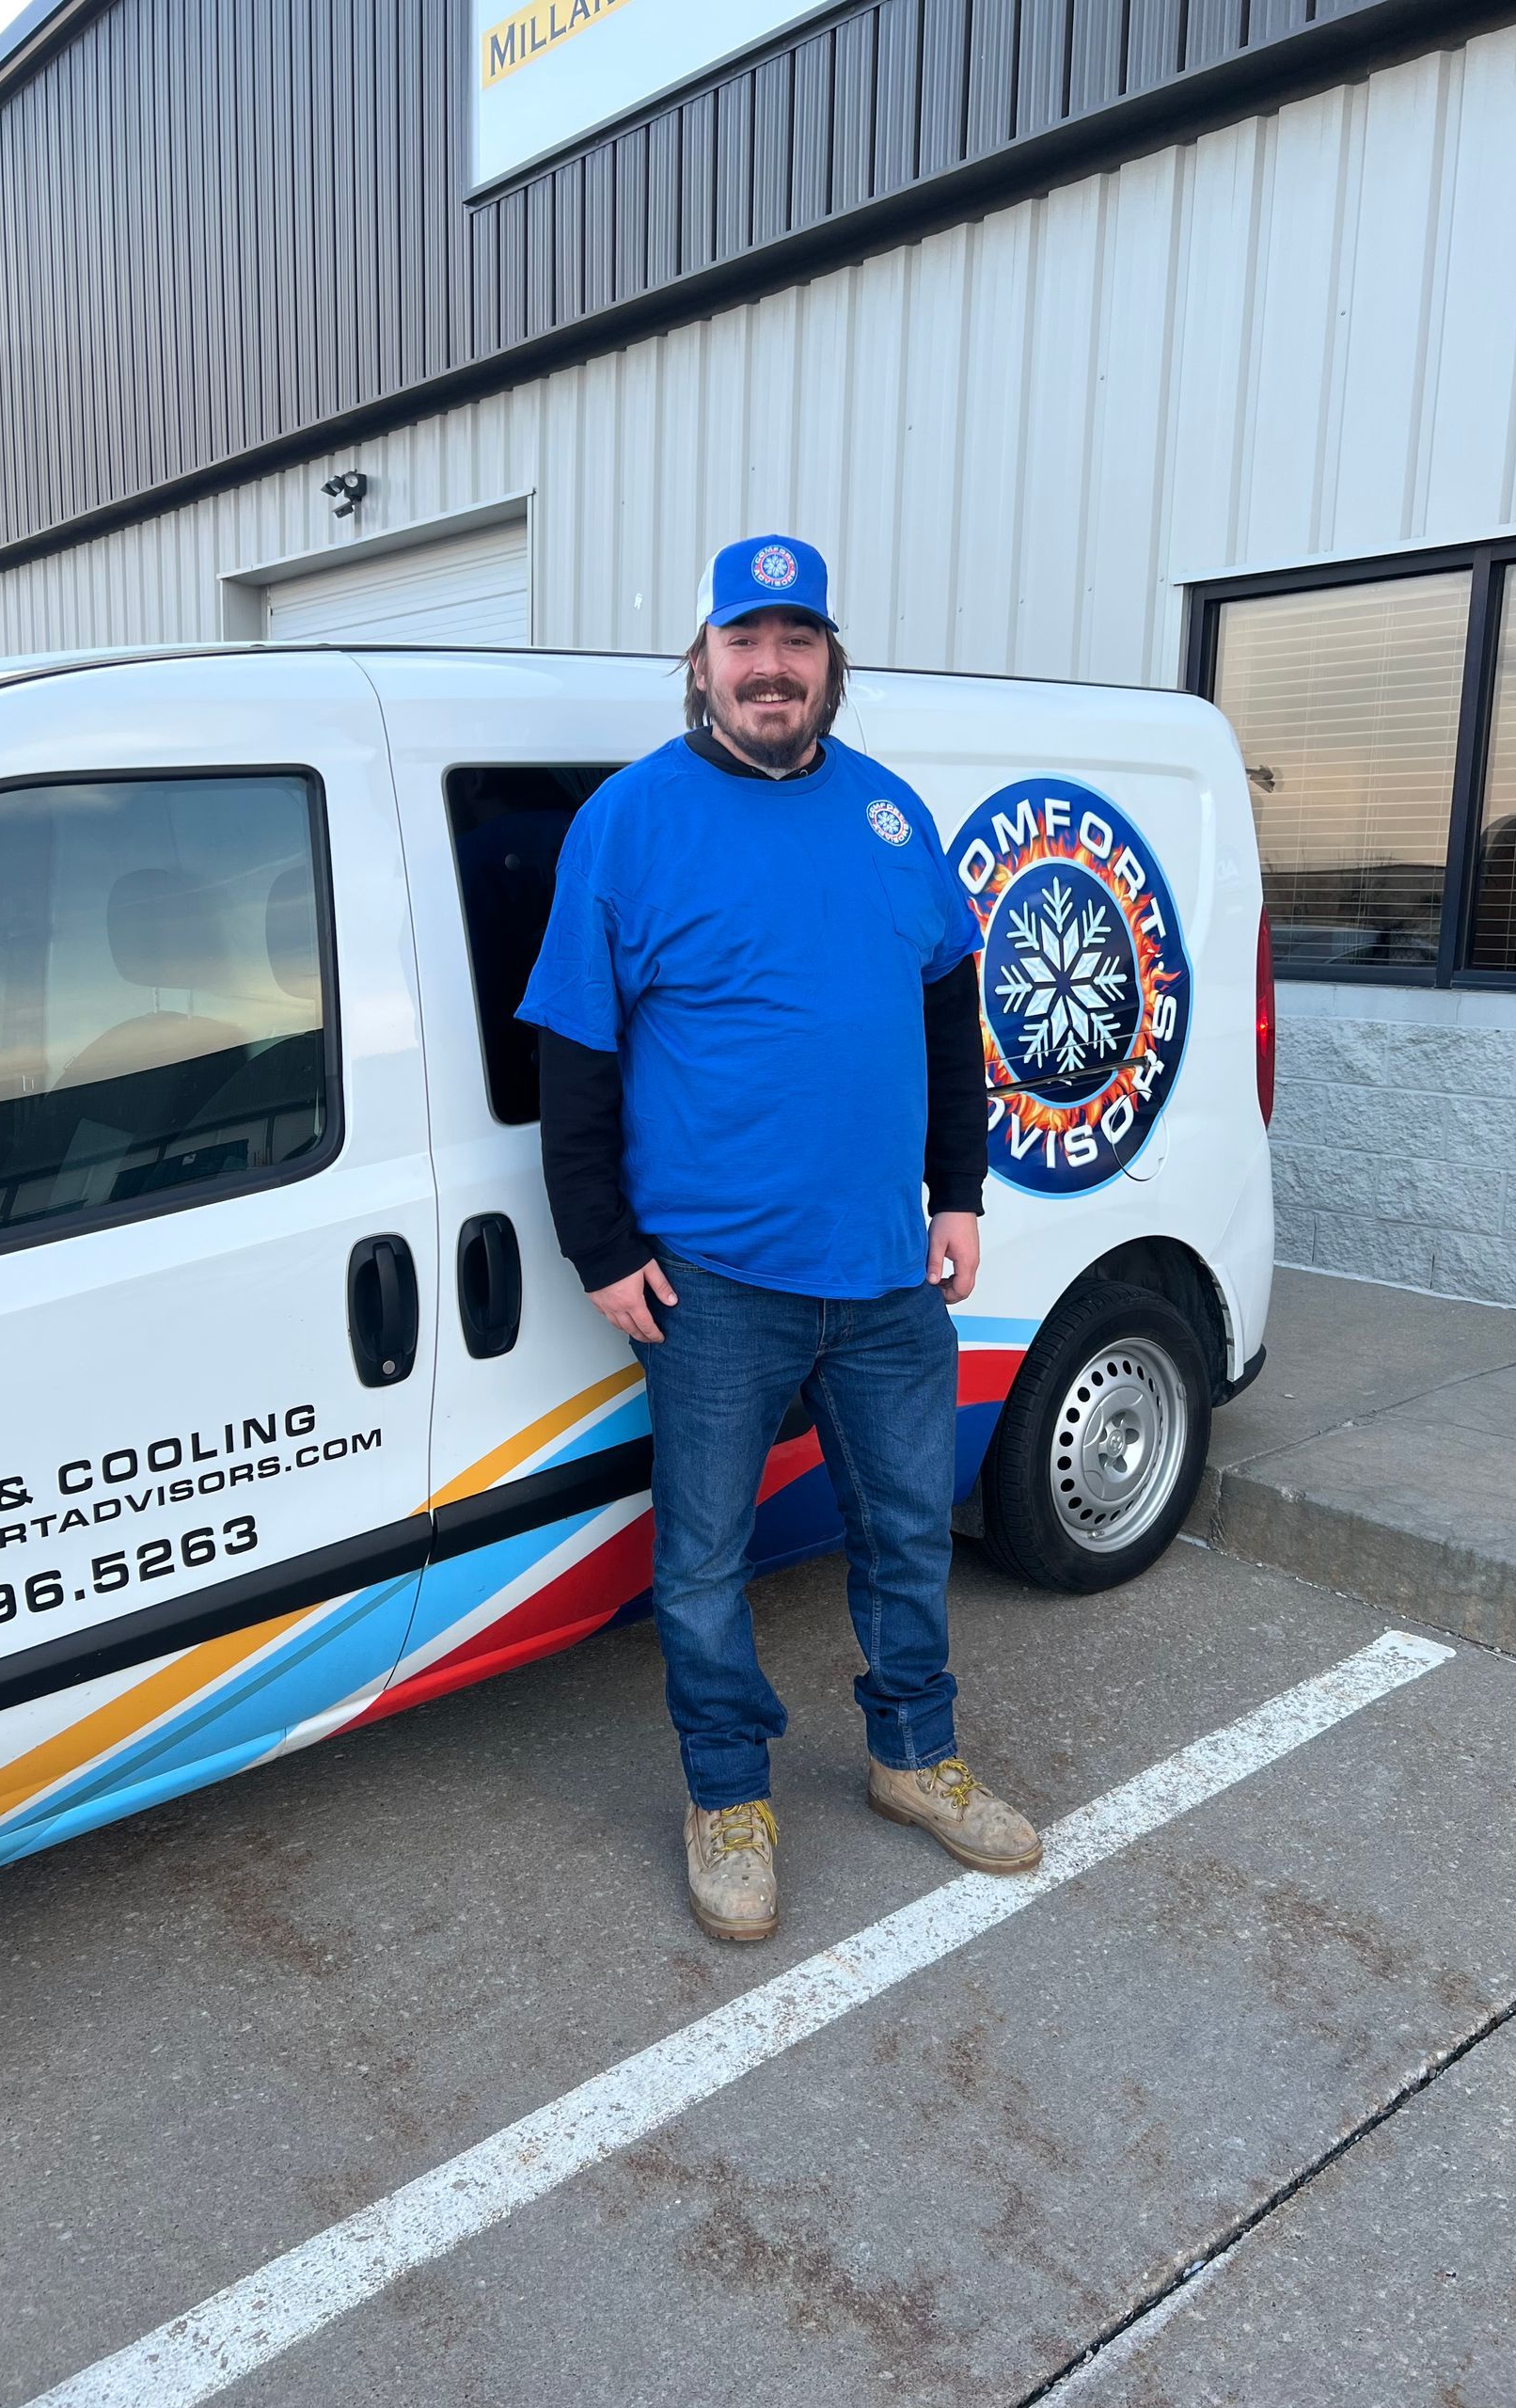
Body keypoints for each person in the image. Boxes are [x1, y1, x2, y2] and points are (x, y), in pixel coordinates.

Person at [517, 533, 1040, 1941]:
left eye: (796, 643)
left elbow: (945, 1009)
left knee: (909, 1533)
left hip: (886, 1274)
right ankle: (727, 1791)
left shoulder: (888, 815)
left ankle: (913, 1759)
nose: (771, 669)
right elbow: (575, 1056)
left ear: (829, 666)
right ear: (701, 667)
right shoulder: (630, 822)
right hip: (714, 1283)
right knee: (700, 1561)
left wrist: (958, 1193)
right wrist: (598, 1246)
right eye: (744, 643)